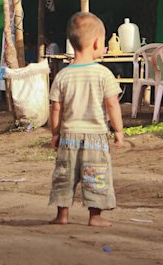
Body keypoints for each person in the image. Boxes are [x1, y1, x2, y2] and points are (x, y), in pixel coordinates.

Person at [48, 12, 124, 226]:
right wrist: (118, 130)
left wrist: (55, 133)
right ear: (97, 43)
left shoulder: (62, 75)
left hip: (68, 136)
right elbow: (112, 104)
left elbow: (56, 108)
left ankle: (62, 215)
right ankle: (95, 217)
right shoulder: (103, 74)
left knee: (64, 174)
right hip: (95, 138)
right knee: (96, 175)